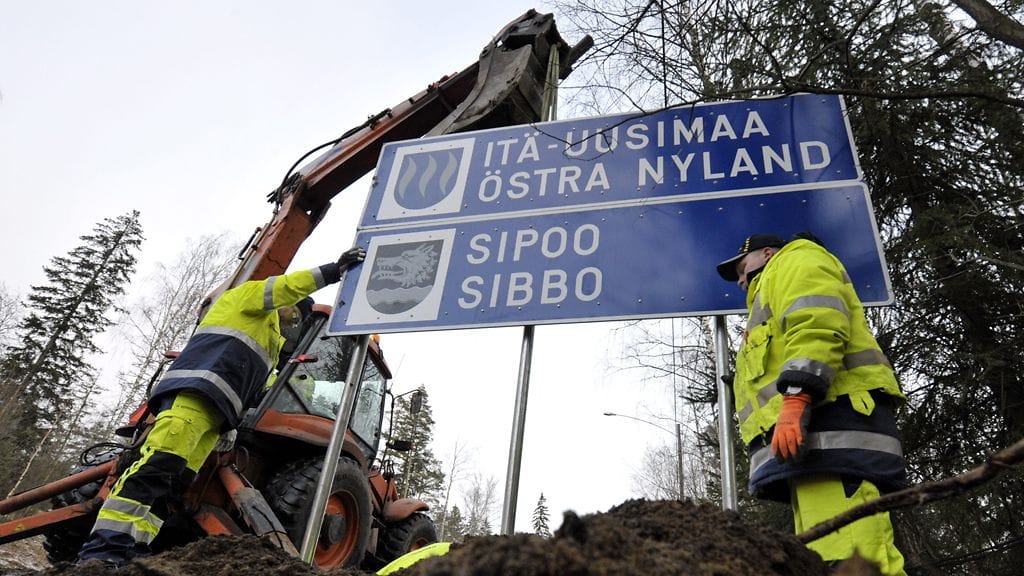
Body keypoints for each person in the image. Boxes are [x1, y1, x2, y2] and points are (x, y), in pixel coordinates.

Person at [78, 246, 366, 566]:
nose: (294, 320)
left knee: (173, 485)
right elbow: (284, 287)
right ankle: (102, 552)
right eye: (295, 312)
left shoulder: (271, 341)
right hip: (195, 397)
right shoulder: (249, 297)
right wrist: (331, 271)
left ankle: (134, 550)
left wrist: (231, 425)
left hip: (216, 416)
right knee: (154, 469)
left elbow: (259, 385)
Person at [716, 233, 908, 575]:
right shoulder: (769, 296)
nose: (741, 281)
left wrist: (797, 399)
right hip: (811, 448)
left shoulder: (796, 261)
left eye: (743, 269)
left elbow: (817, 325)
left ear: (767, 254)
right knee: (825, 560)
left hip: (832, 434)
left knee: (853, 561)